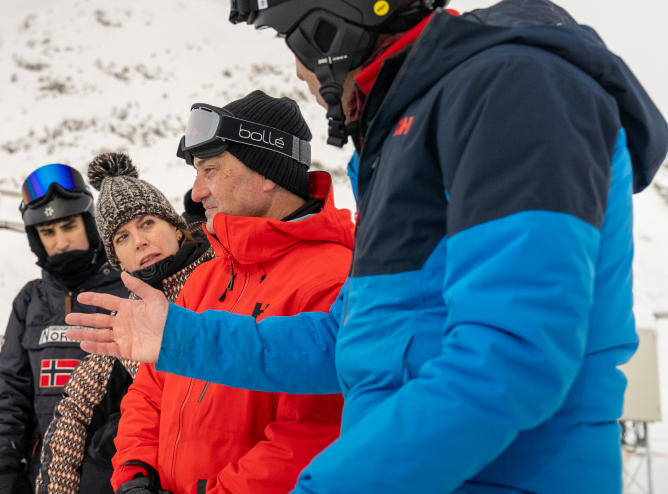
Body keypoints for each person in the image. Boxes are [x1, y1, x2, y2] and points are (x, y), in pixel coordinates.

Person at [66, 1, 668, 493]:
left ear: (334, 20)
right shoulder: (401, 136)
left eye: (293, 41)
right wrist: (177, 338)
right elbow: (350, 343)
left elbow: (512, 358)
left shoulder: (516, 86)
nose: (300, 73)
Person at [71, 90, 353, 494]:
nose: (197, 192)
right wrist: (136, 476)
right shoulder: (208, 277)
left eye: (212, 171)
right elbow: (149, 394)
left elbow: (311, 436)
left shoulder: (332, 278)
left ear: (267, 171)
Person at [36, 152, 215, 494]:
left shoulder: (224, 277)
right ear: (117, 259)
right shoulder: (128, 320)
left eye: (147, 223)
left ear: (176, 227)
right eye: (122, 238)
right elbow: (73, 413)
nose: (139, 242)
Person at [0, 164, 131, 494]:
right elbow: (11, 391)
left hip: (115, 470)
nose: (61, 242)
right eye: (47, 232)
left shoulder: (128, 289)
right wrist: (5, 459)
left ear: (89, 224)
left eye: (69, 226)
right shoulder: (31, 301)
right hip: (43, 473)